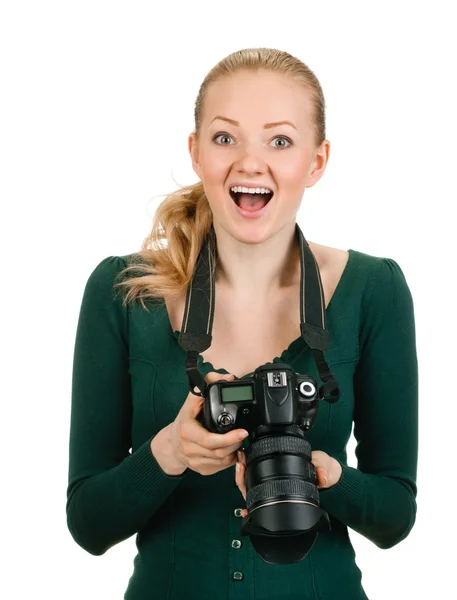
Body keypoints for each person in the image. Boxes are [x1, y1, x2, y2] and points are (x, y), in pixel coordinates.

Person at [66, 47, 418, 599]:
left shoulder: (374, 290)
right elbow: (88, 524)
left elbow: (395, 516)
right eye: (225, 138)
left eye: (279, 141)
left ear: (316, 161)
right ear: (196, 153)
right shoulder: (125, 292)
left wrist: (323, 475)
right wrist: (169, 454)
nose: (250, 164)